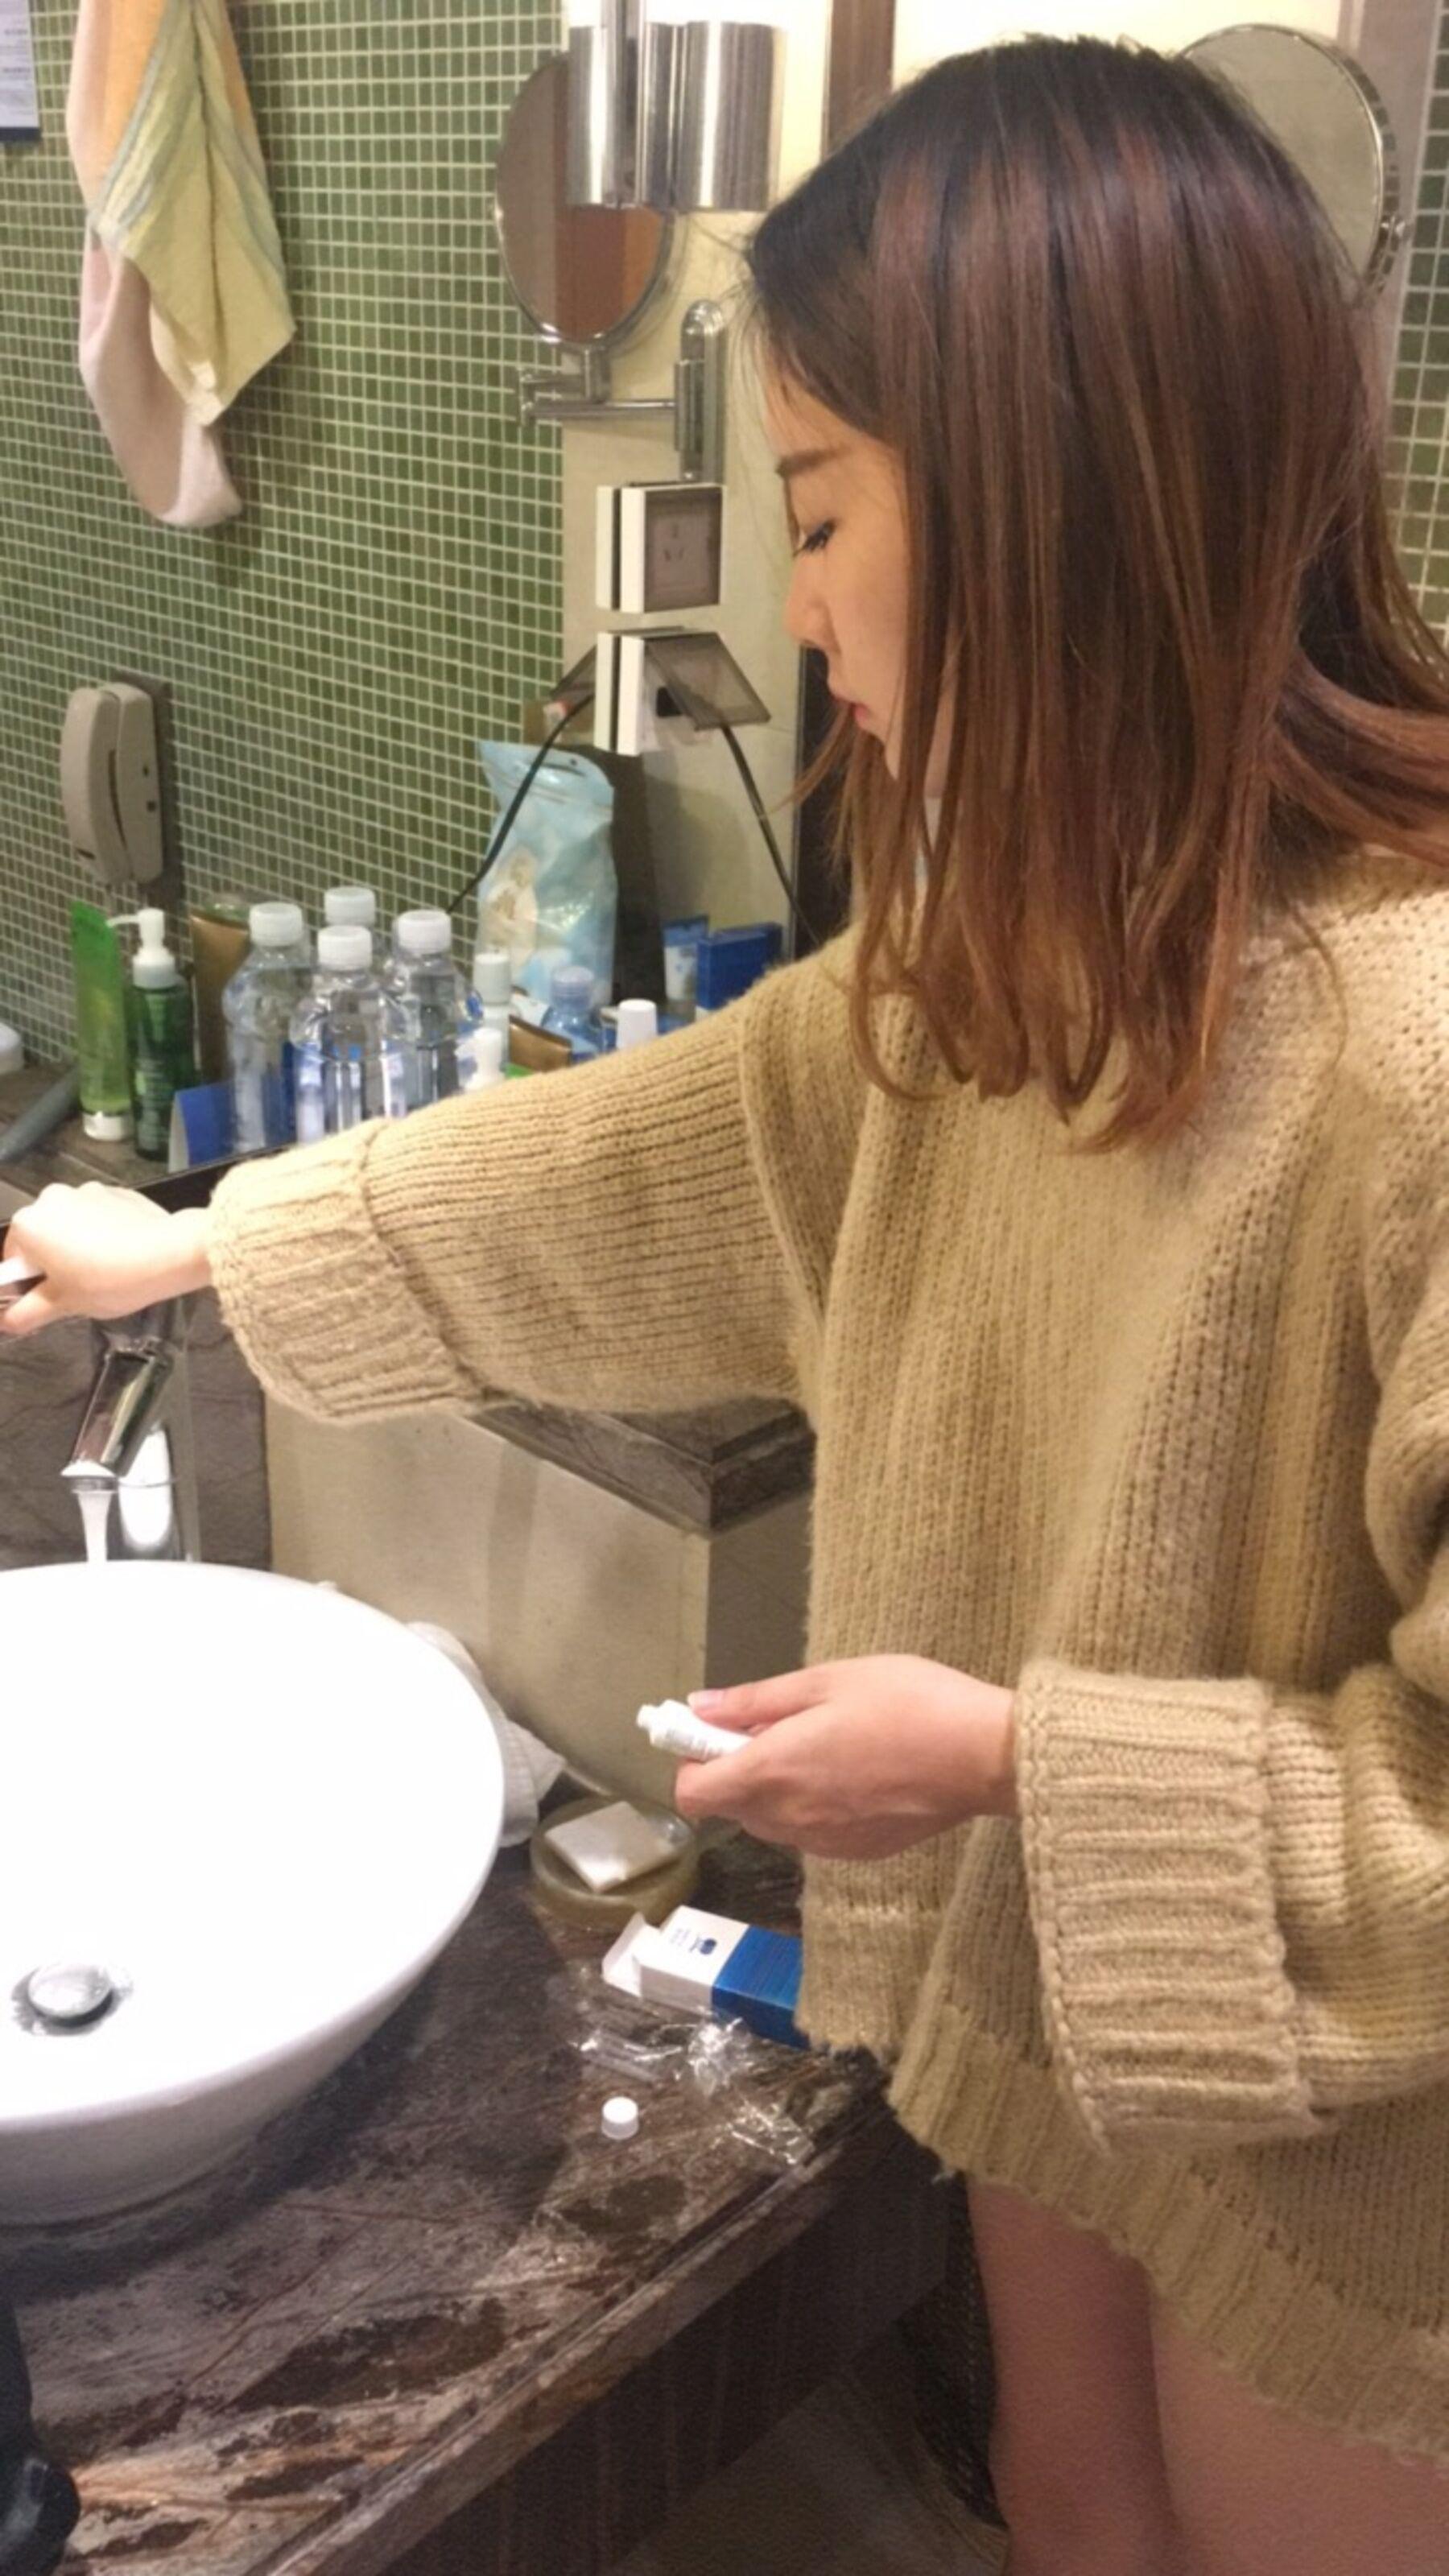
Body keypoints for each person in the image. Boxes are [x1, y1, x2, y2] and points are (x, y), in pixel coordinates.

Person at [7, 37, 1449, 2574]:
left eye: (825, 509)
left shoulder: (1412, 1057)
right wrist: (197, 1242)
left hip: (1350, 2114)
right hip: (1073, 1982)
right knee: (1067, 2511)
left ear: (1048, 500)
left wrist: (1015, 1765)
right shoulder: (1010, 970)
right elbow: (622, 1164)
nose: (793, 605)